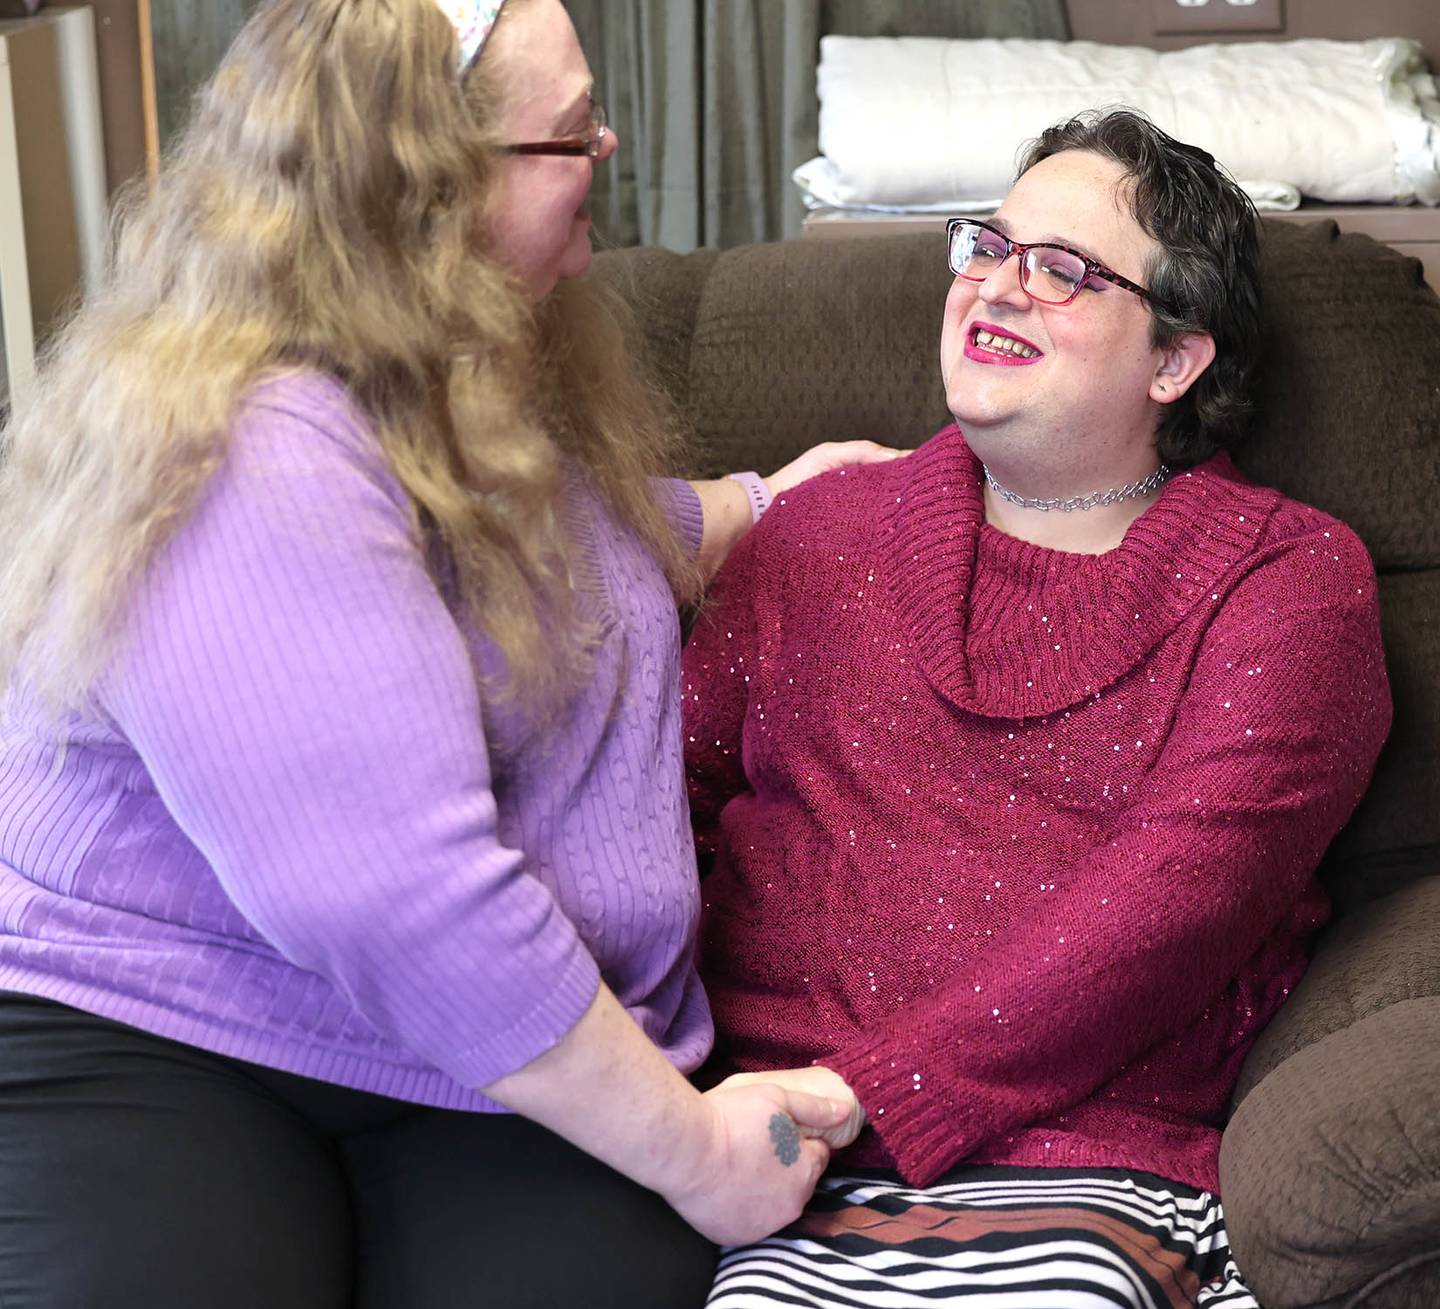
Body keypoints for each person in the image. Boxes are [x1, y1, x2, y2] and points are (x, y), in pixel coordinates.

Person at [0, 2, 888, 1306]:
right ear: (430, 181)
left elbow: (555, 558)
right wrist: (694, 1147)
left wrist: (764, 498)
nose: (610, 140)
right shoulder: (252, 450)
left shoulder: (458, 370)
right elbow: (390, 895)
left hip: (470, 1051)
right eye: (573, 129)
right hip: (161, 1022)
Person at [682, 109, 1392, 1308]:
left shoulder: (1288, 582)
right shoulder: (814, 531)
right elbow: (656, 797)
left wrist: (861, 1092)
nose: (998, 289)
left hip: (1083, 1168)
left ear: (1174, 360)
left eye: (1061, 271)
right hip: (740, 1152)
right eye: (988, 248)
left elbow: (1179, 900)